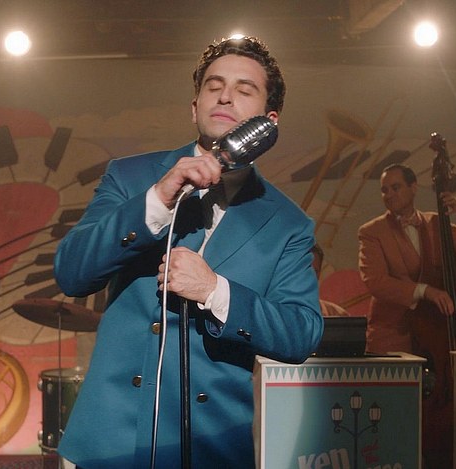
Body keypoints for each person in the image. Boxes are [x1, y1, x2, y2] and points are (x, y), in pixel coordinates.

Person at [53, 36, 323, 468]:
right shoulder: (130, 176)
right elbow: (71, 273)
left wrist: (216, 291)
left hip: (211, 446)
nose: (225, 96)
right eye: (214, 85)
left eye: (244, 89)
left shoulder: (288, 223)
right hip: (110, 443)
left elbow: (301, 332)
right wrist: (156, 200)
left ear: (269, 121)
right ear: (195, 107)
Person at [357, 163, 456, 354]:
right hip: (393, 334)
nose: (389, 195)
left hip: (435, 331)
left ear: (413, 187)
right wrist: (426, 291)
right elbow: (376, 282)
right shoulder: (371, 232)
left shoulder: (437, 224)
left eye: (395, 187)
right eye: (384, 190)